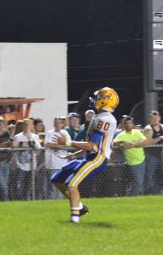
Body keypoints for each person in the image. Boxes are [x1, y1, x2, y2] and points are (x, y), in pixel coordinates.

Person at [52, 87, 118, 223]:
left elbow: (92, 146)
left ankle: (75, 218)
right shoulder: (99, 117)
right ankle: (80, 207)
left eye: (99, 98)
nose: (95, 100)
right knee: (57, 179)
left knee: (72, 184)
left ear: (105, 101)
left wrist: (68, 142)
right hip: (90, 157)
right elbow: (90, 145)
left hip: (98, 159)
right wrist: (73, 155)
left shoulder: (104, 120)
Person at [113, 117, 151, 196]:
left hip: (142, 159)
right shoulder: (121, 135)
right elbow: (113, 143)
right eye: (126, 123)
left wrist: (133, 144)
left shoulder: (137, 132)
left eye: (130, 123)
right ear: (124, 125)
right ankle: (133, 197)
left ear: (132, 124)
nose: (128, 125)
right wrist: (122, 142)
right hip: (132, 162)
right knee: (138, 181)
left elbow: (145, 141)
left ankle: (136, 196)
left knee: (140, 181)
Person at [143, 110, 163, 194]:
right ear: (150, 119)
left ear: (159, 118)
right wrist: (160, 138)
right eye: (153, 118)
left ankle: (161, 193)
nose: (155, 120)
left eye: (156, 118)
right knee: (150, 176)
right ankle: (149, 193)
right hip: (151, 156)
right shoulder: (148, 129)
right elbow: (148, 143)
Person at [12, 119, 42, 200]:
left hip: (31, 166)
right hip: (20, 165)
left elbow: (38, 149)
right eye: (25, 124)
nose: (26, 126)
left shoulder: (35, 137)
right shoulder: (17, 137)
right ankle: (19, 200)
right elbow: (13, 148)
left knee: (29, 186)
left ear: (31, 125)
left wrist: (31, 142)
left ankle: (26, 199)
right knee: (19, 185)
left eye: (28, 124)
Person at [44, 117, 71, 199]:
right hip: (52, 164)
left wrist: (57, 146)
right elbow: (46, 144)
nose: (57, 125)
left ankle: (59, 201)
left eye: (59, 123)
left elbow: (69, 144)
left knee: (61, 185)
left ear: (62, 124)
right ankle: (51, 201)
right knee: (52, 186)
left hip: (62, 164)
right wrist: (59, 146)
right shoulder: (49, 133)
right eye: (55, 123)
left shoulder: (65, 133)